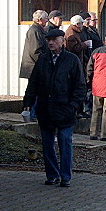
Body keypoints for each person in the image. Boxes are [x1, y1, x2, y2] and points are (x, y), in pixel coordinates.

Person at [22, 28, 86, 187]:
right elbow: (33, 84)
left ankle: (65, 176)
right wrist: (28, 103)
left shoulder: (71, 60)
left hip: (65, 110)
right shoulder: (42, 60)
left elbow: (80, 86)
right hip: (46, 109)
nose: (50, 42)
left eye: (54, 40)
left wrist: (73, 106)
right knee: (47, 144)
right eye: (48, 40)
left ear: (62, 41)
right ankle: (52, 175)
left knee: (65, 141)